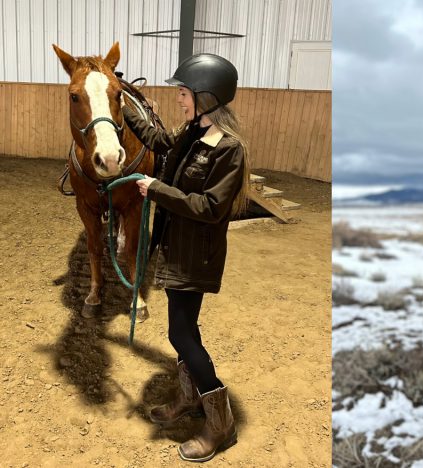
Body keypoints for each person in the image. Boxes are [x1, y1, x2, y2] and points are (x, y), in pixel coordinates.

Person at [123, 53, 250, 462]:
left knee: (180, 333)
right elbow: (160, 142)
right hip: (176, 247)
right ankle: (189, 396)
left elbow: (210, 206)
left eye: (183, 93)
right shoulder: (193, 131)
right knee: (183, 327)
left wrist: (155, 189)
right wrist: (124, 108)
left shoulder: (227, 149)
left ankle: (220, 424)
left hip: (197, 255)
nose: (178, 99)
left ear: (206, 97)